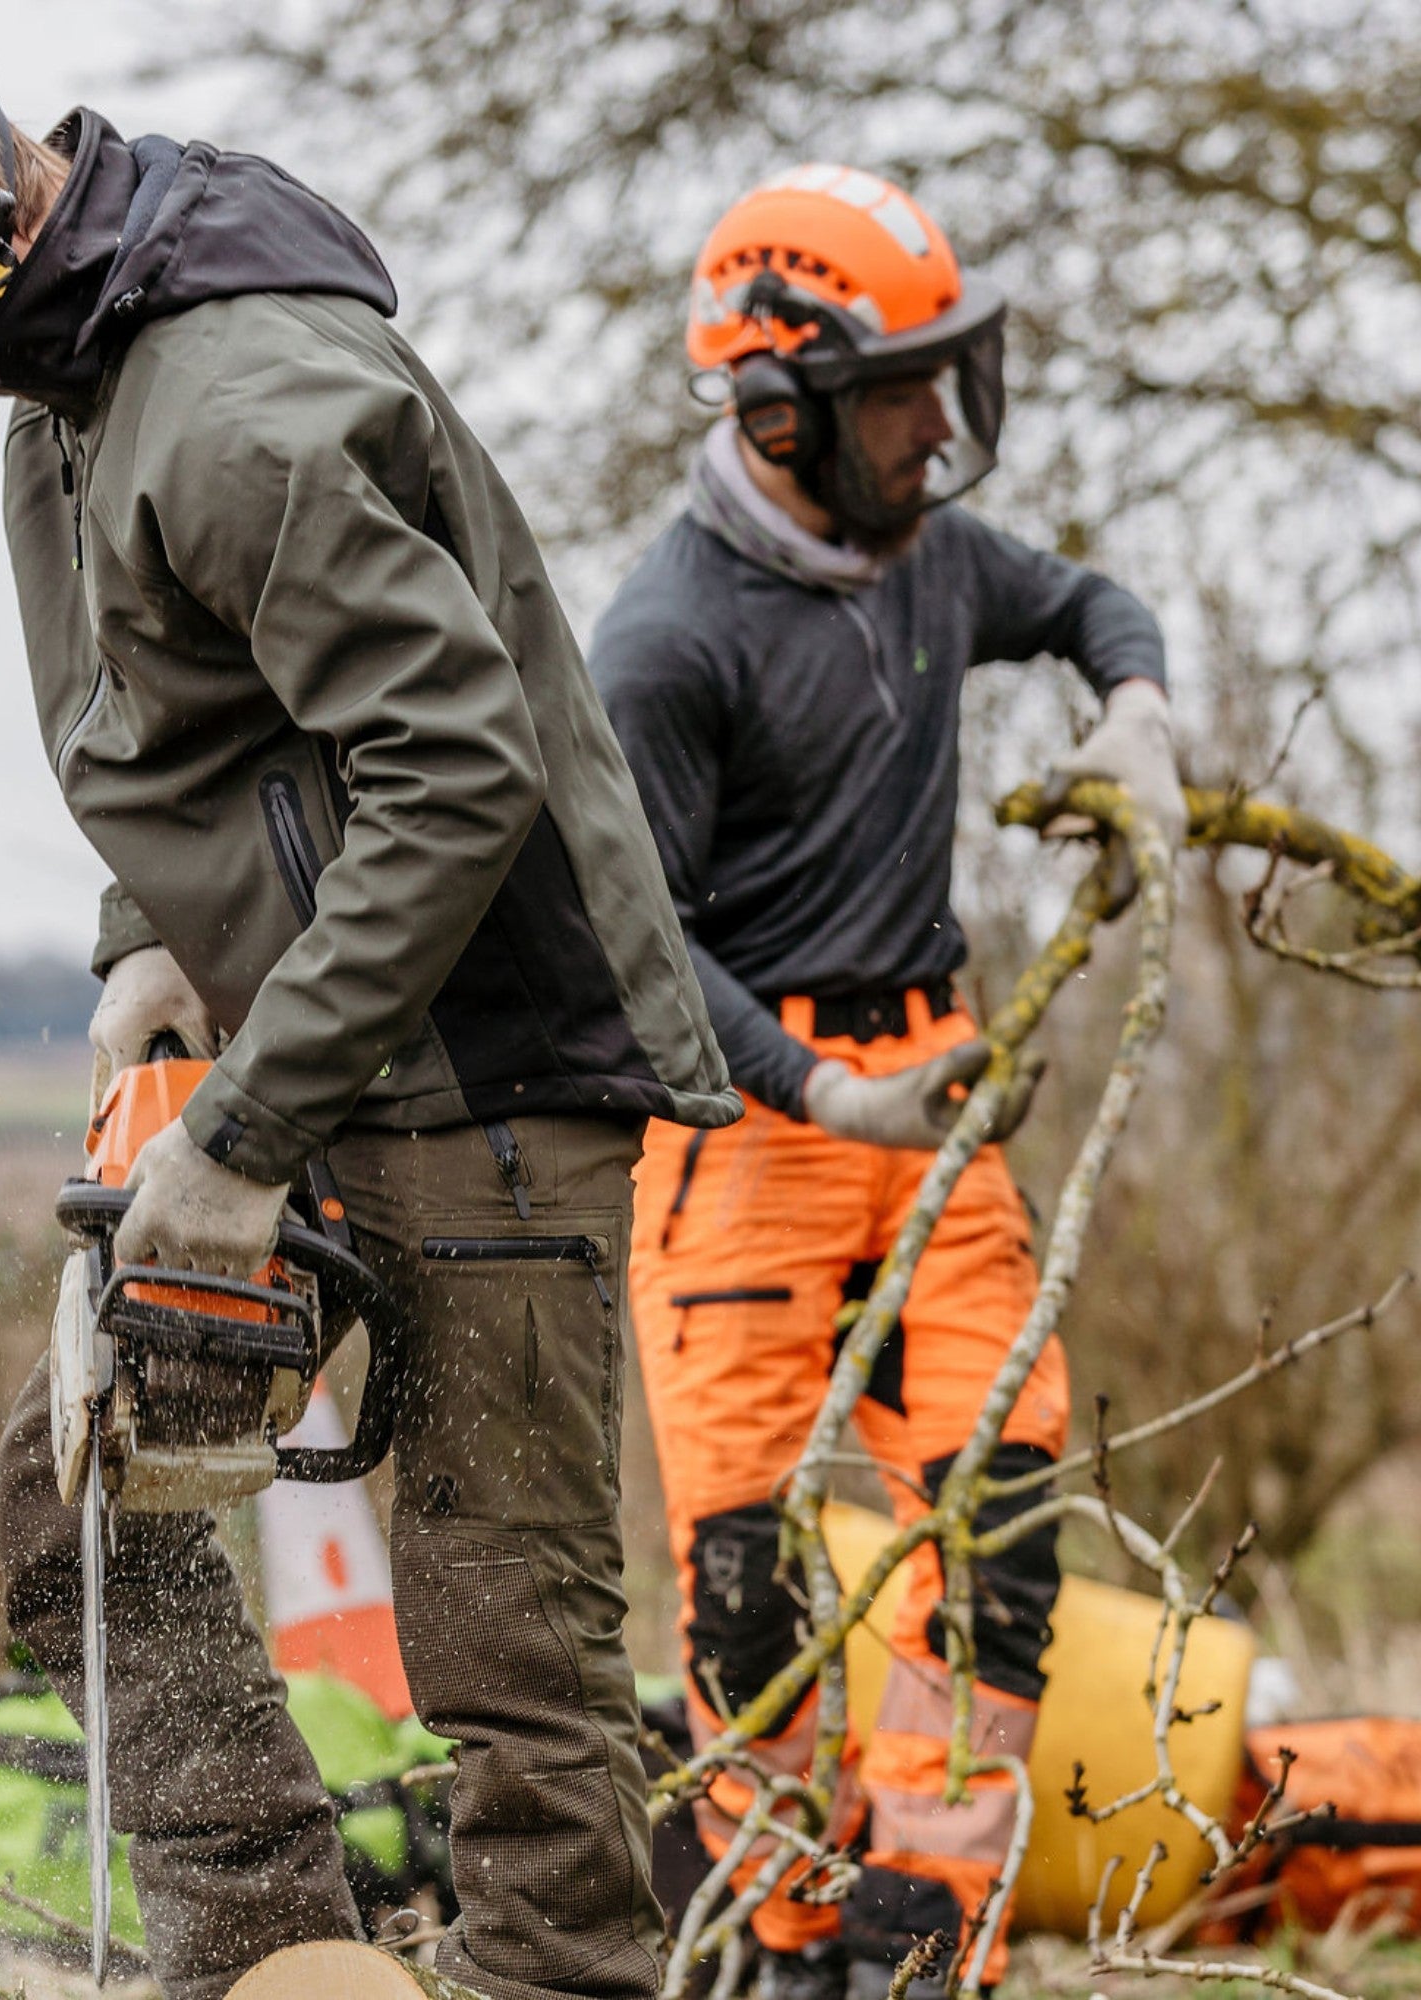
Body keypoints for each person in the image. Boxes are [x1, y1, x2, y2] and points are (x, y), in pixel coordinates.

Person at [0, 6, 743, 1998]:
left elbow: (455, 772)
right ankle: (259, 1944)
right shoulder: (75, 390)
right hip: (336, 1037)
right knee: (82, 1480)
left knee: (505, 1639)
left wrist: (241, 1140)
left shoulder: (237, 401)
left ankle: (561, 1975)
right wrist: (143, 948)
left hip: (491, 1064)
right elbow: (187, 725)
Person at [587, 166, 1187, 2000]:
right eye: (898, 389)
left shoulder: (931, 553)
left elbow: (1092, 600)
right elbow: (639, 945)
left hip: (940, 1086)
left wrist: (1136, 705)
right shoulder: (667, 638)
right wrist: (812, 1097)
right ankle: (775, 1938)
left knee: (998, 1523)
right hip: (742, 1124)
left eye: (947, 376)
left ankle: (930, 1936)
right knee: (753, 1578)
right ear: (781, 412)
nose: (939, 423)